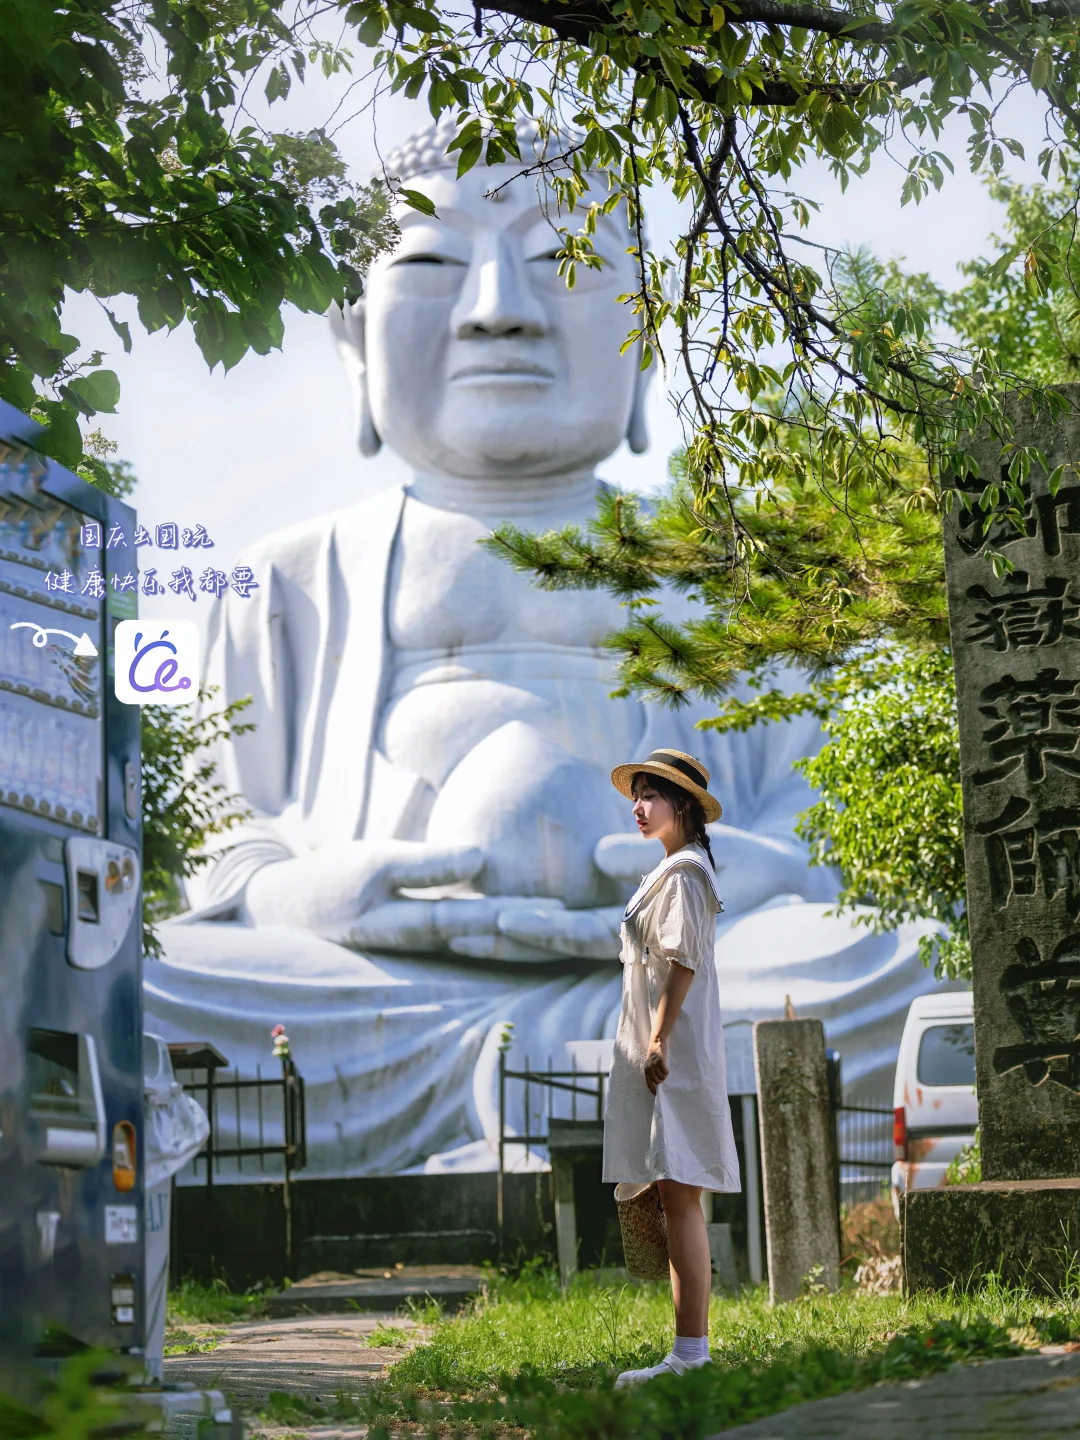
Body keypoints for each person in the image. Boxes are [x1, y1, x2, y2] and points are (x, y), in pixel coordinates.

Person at [603, 748, 738, 1387]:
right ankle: (687, 1352)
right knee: (676, 1195)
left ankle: (690, 1355)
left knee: (682, 1197)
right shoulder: (671, 870)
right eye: (637, 795)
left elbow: (681, 962)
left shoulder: (684, 872)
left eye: (651, 795)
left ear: (682, 804)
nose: (638, 806)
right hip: (663, 1050)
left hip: (672, 1055)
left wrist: (656, 1040)